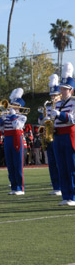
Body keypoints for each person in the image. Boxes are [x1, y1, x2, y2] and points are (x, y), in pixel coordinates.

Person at [51, 63, 75, 206]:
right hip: (57, 135)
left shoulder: (73, 103)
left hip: (69, 135)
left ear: (71, 90)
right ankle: (66, 196)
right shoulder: (57, 103)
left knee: (71, 166)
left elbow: (72, 118)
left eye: (64, 89)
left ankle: (73, 196)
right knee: (61, 167)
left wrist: (59, 115)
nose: (61, 91)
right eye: (61, 88)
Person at [0, 88, 27, 195]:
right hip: (7, 139)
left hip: (17, 139)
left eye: (15, 105)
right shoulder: (7, 116)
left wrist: (13, 115)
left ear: (19, 107)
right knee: (10, 164)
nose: (12, 107)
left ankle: (20, 188)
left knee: (18, 164)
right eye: (11, 105)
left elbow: (17, 126)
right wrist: (2, 118)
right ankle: (14, 187)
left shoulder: (22, 117)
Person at [38, 74, 61, 195]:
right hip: (49, 136)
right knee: (51, 162)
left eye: (55, 95)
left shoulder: (62, 105)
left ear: (60, 95)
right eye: (51, 95)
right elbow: (40, 121)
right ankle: (56, 186)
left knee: (60, 162)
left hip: (59, 135)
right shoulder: (46, 106)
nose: (53, 97)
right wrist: (44, 118)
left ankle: (62, 186)